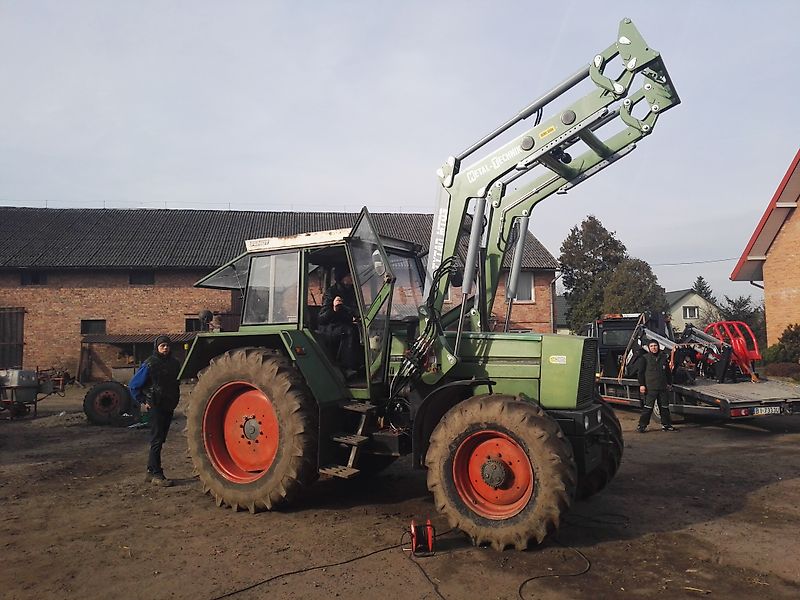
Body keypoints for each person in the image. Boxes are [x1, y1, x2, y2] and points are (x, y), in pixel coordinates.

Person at [129, 335, 182, 485]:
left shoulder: (174, 363)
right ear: (157, 348)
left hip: (168, 405)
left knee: (160, 439)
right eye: (162, 346)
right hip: (155, 405)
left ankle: (150, 471)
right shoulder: (150, 364)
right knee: (157, 439)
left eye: (167, 346)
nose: (165, 348)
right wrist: (142, 401)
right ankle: (157, 475)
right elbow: (134, 384)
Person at [318, 267, 361, 372]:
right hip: (329, 327)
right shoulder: (331, 292)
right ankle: (347, 367)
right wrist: (334, 309)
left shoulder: (352, 292)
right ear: (342, 278)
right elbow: (322, 318)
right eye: (349, 275)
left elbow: (353, 309)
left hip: (344, 324)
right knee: (350, 331)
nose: (352, 277)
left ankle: (360, 364)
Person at [636, 339, 678, 432]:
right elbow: (640, 373)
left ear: (658, 347)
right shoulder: (644, 358)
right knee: (648, 407)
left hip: (663, 387)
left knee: (664, 407)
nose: (654, 348)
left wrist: (669, 383)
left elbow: (668, 372)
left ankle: (666, 425)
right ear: (649, 348)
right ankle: (642, 426)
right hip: (650, 387)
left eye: (655, 346)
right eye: (651, 346)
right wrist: (642, 385)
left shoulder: (663, 358)